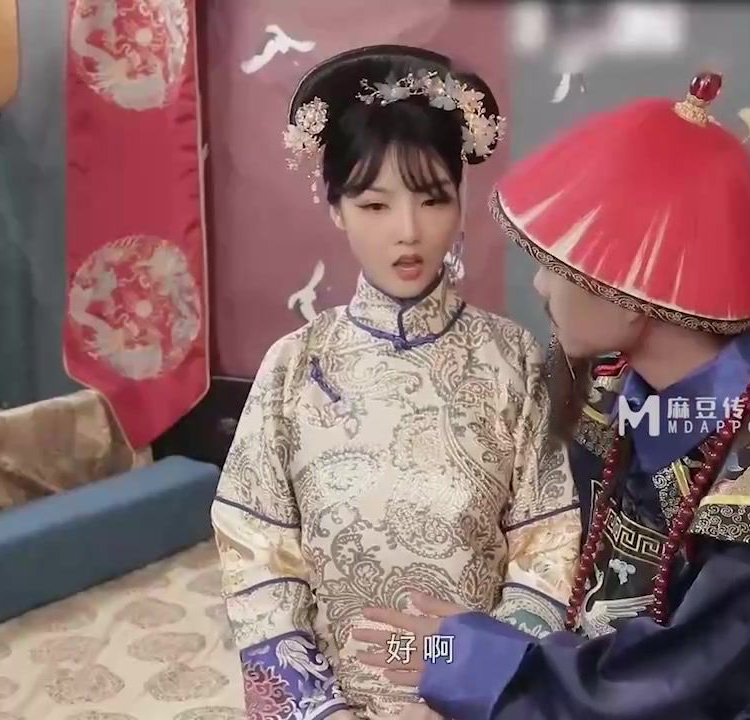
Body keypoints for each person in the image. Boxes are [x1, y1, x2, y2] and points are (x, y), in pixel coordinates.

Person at [356, 72, 750, 719]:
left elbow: (675, 687)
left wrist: (468, 659)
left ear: (635, 288)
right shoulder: (615, 388)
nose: (540, 286)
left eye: (558, 266)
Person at [211, 45, 581, 720]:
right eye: (375, 204)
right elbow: (257, 559)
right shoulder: (293, 367)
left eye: (432, 199)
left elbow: (549, 547)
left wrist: (475, 683)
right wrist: (318, 711)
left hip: (476, 703)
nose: (407, 232)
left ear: (461, 202)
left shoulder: (515, 361)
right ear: (336, 209)